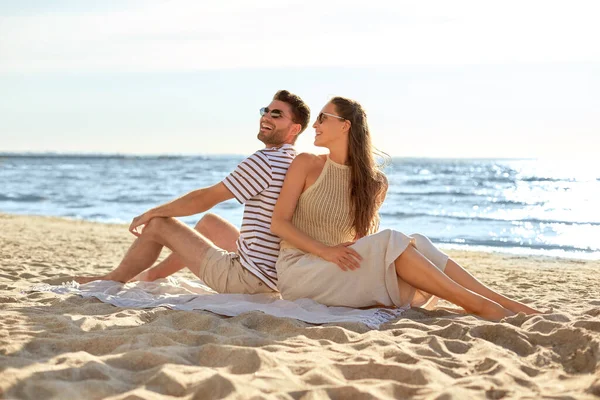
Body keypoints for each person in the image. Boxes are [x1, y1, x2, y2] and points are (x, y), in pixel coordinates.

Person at [271, 96, 540, 320]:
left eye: (322, 117)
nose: (315, 124)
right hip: (302, 271)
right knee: (393, 239)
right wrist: (326, 252)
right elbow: (279, 223)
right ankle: (478, 305)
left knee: (417, 242)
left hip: (340, 272)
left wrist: (338, 256)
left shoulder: (374, 183)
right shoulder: (306, 163)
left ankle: (504, 303)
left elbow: (361, 242)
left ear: (344, 126)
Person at [75, 90, 310, 295]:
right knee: (209, 224)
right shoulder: (295, 161)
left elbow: (205, 198)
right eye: (265, 111)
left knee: (158, 225)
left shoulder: (265, 161)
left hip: (246, 279)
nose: (266, 117)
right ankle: (151, 276)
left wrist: (152, 213)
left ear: (295, 128)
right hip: (272, 276)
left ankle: (112, 280)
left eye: (276, 114)